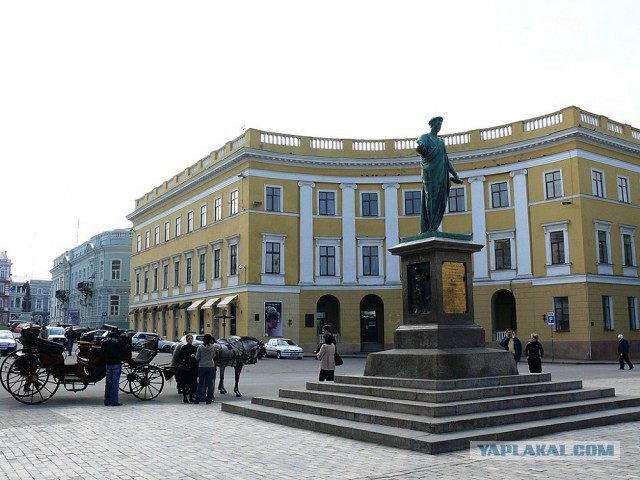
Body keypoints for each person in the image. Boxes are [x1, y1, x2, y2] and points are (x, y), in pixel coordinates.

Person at [416, 116, 463, 234]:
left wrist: (456, 175)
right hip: (430, 173)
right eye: (437, 124)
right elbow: (420, 148)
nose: (439, 127)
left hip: (441, 174)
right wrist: (420, 148)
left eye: (440, 125)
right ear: (432, 125)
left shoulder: (440, 142)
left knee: (440, 200)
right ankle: (430, 227)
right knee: (431, 198)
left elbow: (446, 161)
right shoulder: (424, 137)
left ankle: (434, 226)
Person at [101, 329, 127, 406]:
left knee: (108, 383)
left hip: (108, 364)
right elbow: (124, 351)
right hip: (116, 363)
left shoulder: (105, 341)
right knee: (115, 383)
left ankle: (107, 400)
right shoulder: (119, 341)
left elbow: (102, 351)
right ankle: (114, 401)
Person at [194, 334, 219, 404]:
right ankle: (209, 399)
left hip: (202, 366)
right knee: (210, 384)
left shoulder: (200, 347)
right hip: (211, 366)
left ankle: (197, 399)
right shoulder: (213, 347)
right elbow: (214, 356)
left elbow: (197, 357)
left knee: (200, 383)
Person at [178, 334, 199, 403]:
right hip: (186, 367)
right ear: (186, 340)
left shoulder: (195, 348)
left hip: (193, 367)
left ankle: (191, 397)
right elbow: (181, 357)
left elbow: (197, 357)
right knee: (185, 383)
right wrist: (189, 356)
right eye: (189, 339)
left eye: (191, 339)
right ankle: (185, 397)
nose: (190, 340)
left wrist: (194, 356)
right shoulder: (184, 348)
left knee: (193, 383)